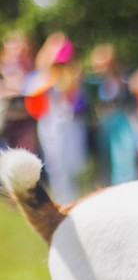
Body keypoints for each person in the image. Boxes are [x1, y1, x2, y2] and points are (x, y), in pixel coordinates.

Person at [26, 32, 88, 204]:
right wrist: (49, 75)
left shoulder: (73, 75)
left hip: (71, 124)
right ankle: (64, 201)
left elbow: (79, 103)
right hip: (51, 125)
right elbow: (31, 96)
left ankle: (77, 198)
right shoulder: (40, 76)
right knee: (57, 165)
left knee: (74, 163)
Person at [88, 43, 138, 185]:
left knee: (124, 160)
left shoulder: (124, 79)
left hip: (121, 122)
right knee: (104, 162)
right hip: (103, 124)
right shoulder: (92, 83)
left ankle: (125, 187)